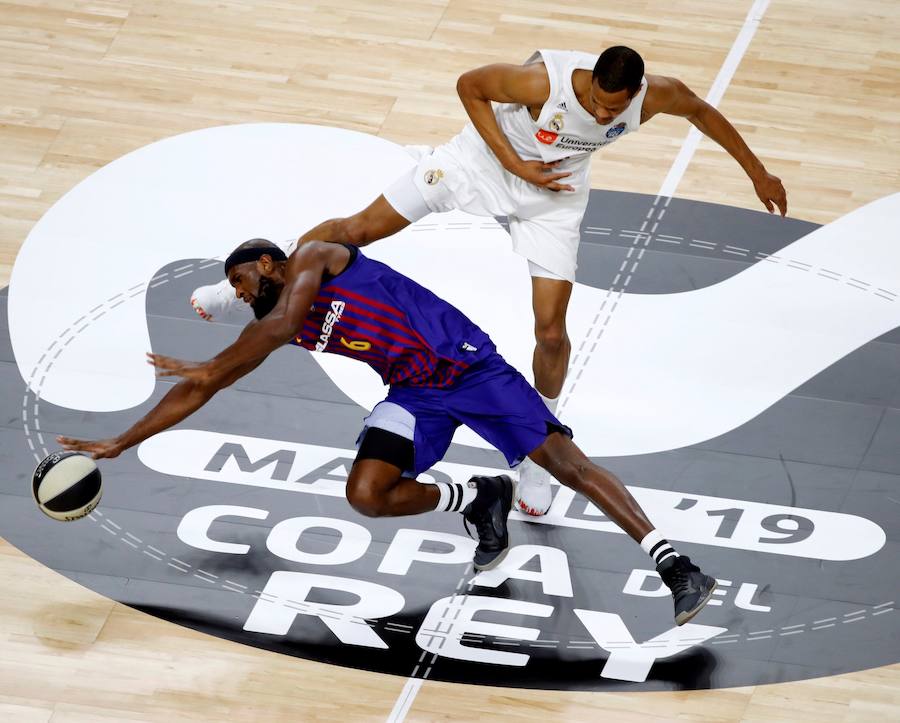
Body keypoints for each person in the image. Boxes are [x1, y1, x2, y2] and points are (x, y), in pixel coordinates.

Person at [191, 46, 788, 519]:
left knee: (551, 331)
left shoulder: (654, 97)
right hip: (480, 160)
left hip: (553, 195)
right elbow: (469, 85)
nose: (605, 117)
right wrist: (512, 161)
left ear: (634, 95)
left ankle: (540, 448)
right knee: (353, 231)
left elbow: (703, 113)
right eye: (598, 106)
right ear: (588, 84)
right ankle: (235, 290)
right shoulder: (543, 83)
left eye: (615, 111)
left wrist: (758, 171)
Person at [62, 238, 717, 625]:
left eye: (243, 282)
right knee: (367, 492)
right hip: (411, 391)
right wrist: (125, 440)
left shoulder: (319, 254)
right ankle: (479, 497)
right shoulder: (275, 318)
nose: (243, 294)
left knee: (564, 463)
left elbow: (270, 331)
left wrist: (215, 356)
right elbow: (208, 382)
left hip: (465, 364)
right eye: (234, 291)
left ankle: (677, 566)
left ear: (272, 260)